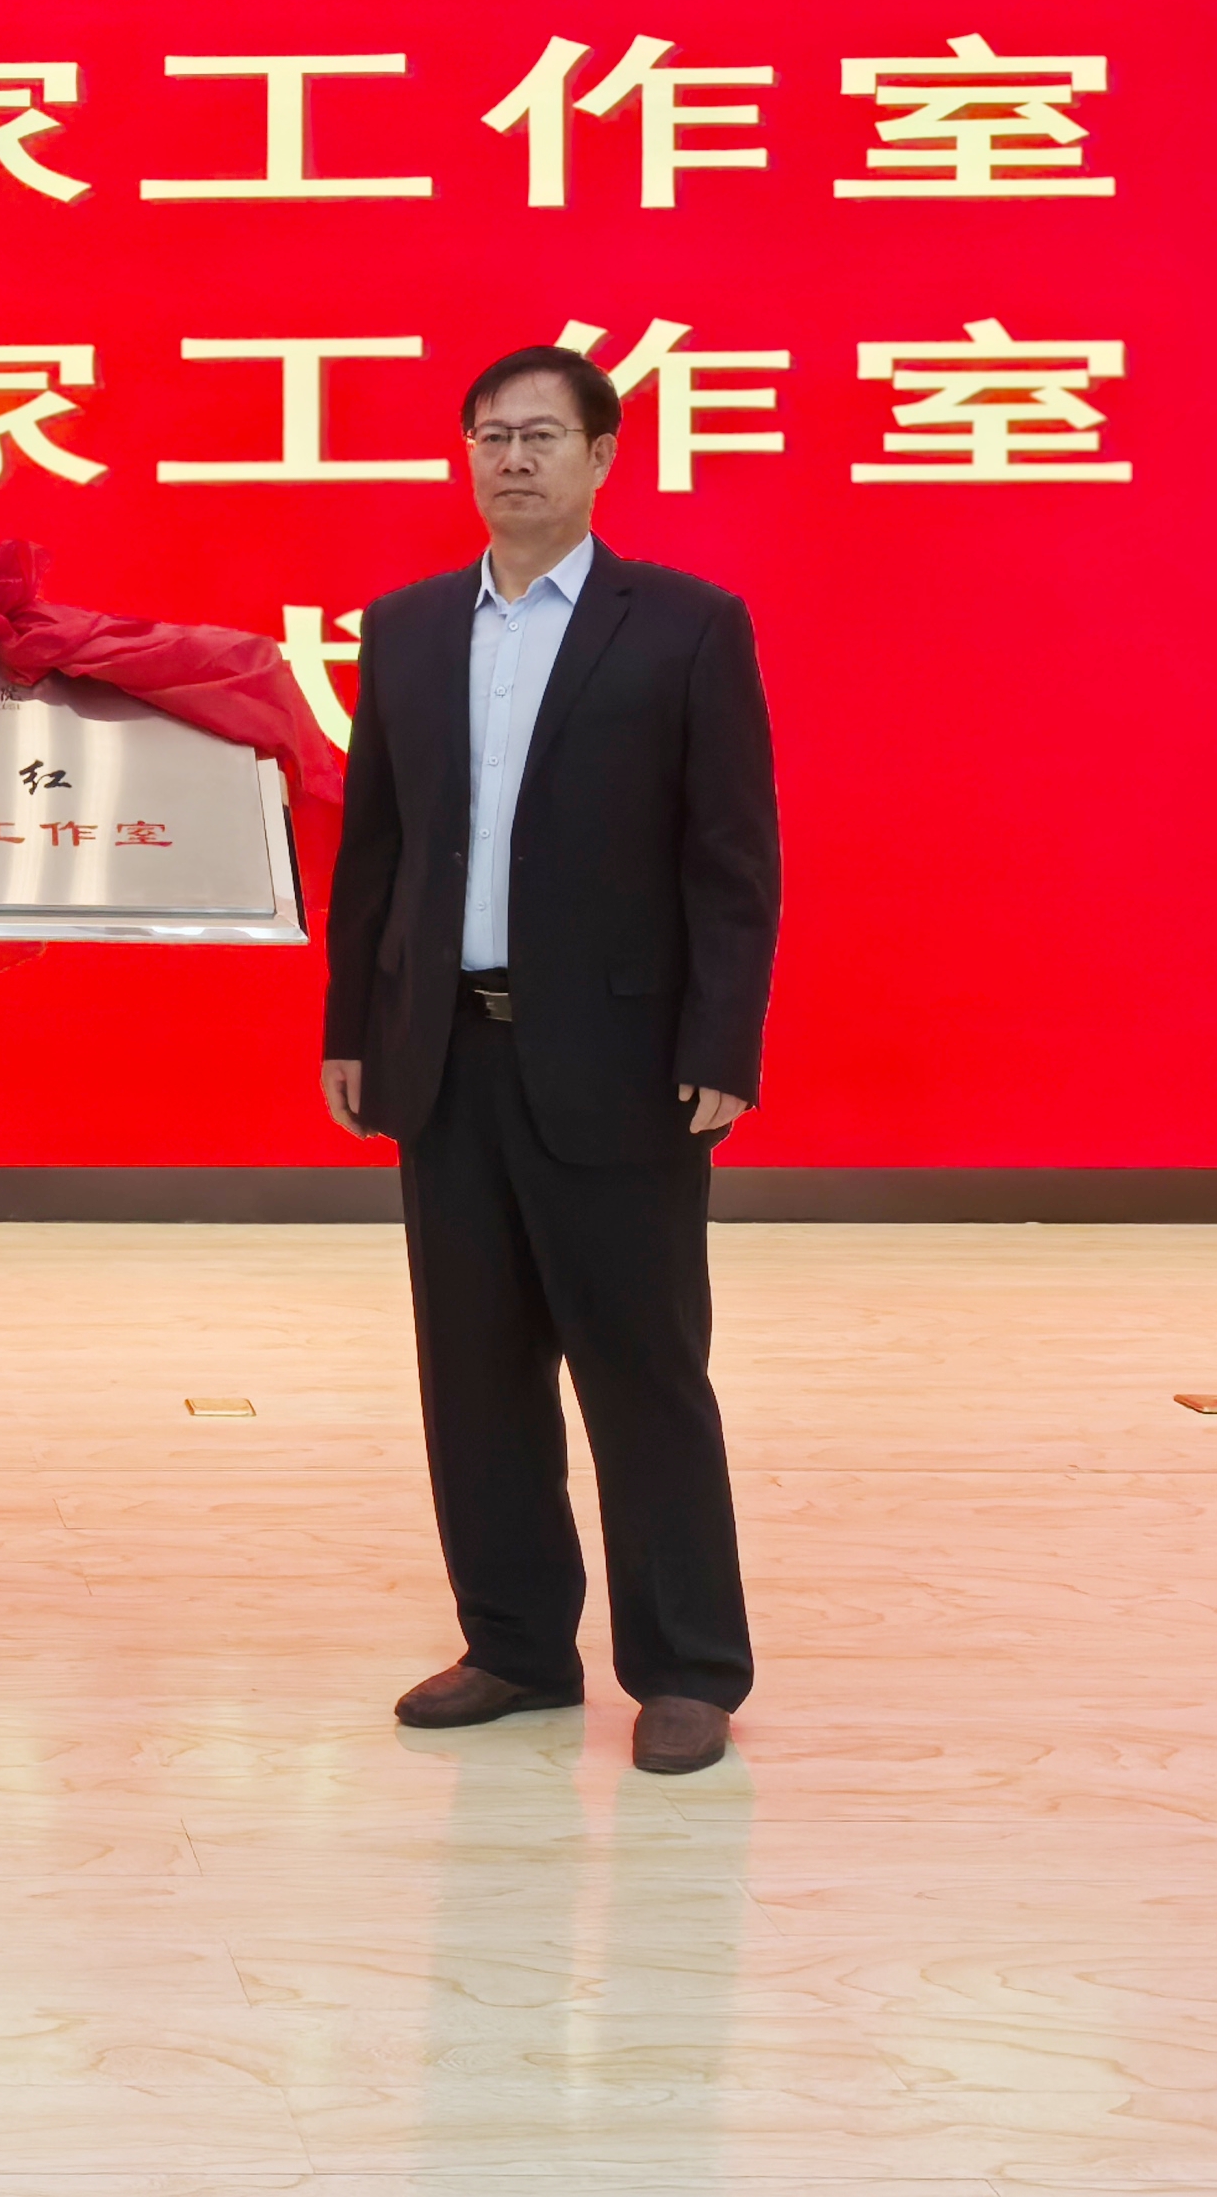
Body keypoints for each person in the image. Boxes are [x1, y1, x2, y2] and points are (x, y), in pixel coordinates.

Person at [318, 343, 781, 1776]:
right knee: (473, 1371)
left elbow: (732, 857)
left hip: (623, 1061)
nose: (511, 459)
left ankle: (687, 1667)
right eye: (489, 436)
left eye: (540, 436)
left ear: (602, 458)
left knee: (644, 1370)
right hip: (445, 1053)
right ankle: (515, 1643)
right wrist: (353, 1025)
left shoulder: (686, 625)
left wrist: (722, 1039)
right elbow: (375, 848)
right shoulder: (406, 628)